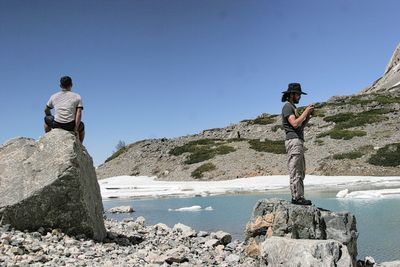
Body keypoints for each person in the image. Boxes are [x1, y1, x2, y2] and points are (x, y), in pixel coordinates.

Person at [281, 83, 314, 205]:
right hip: (293, 141)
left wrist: (308, 117)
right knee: (295, 170)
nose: (300, 96)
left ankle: (299, 196)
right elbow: (294, 124)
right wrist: (305, 112)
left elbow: (299, 126)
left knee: (300, 170)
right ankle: (296, 198)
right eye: (298, 94)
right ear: (292, 95)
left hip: (297, 140)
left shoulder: (292, 107)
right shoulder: (288, 107)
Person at [44, 76, 85, 143]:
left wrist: (50, 116)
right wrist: (76, 129)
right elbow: (79, 113)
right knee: (82, 126)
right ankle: (80, 144)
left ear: (60, 85)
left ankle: (48, 139)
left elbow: (46, 110)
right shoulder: (77, 96)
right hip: (70, 125)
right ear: (71, 85)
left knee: (46, 119)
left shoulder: (53, 96)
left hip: (57, 124)